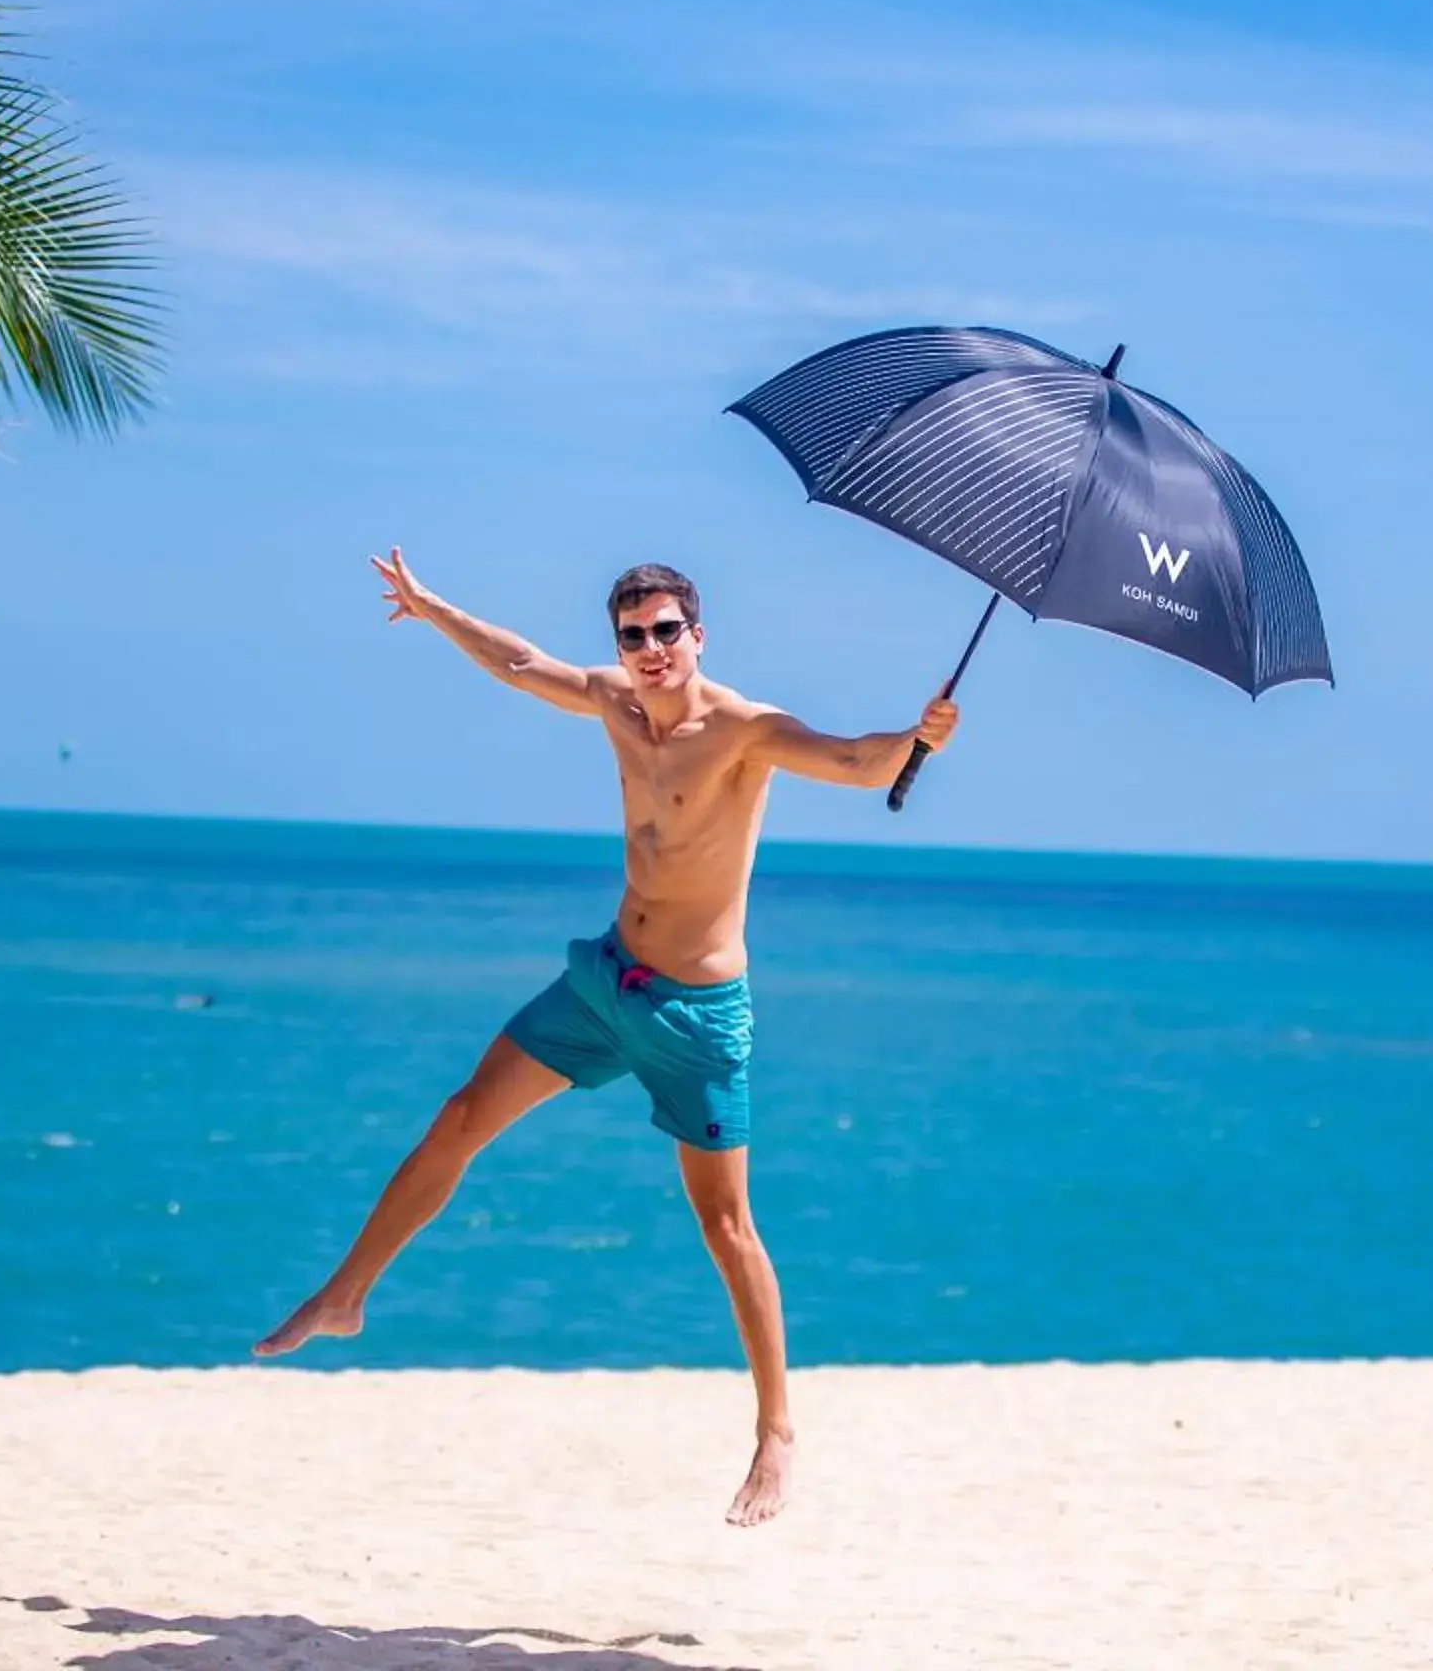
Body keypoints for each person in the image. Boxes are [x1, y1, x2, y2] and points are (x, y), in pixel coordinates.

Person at [254, 550, 959, 1526]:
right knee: (461, 1115)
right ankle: (344, 1295)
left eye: (667, 630)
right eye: (634, 635)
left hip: (698, 1015)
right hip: (605, 980)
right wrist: (427, 607)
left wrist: (916, 738)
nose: (651, 649)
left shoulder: (743, 729)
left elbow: (852, 759)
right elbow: (517, 662)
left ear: (697, 635)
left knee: (725, 1225)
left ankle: (777, 1432)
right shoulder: (615, 704)